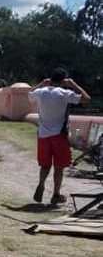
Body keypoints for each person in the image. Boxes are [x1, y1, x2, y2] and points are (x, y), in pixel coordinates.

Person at [28, 68, 90, 205]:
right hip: (59, 135)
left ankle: (41, 184)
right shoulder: (65, 93)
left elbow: (28, 93)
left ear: (50, 79)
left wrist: (41, 83)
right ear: (63, 80)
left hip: (43, 135)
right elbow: (86, 99)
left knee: (45, 165)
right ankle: (56, 194)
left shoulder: (40, 92)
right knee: (59, 167)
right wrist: (73, 84)